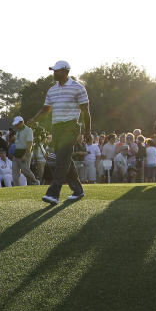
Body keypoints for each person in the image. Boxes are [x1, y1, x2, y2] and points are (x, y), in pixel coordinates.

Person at [26, 61, 90, 204]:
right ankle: (78, 190)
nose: (54, 73)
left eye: (57, 71)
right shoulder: (52, 90)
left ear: (66, 72)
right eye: (54, 71)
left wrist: (87, 131)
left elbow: (86, 111)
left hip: (71, 126)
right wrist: (34, 119)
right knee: (65, 158)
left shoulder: (78, 88)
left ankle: (54, 193)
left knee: (61, 160)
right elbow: (45, 109)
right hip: (57, 128)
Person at [11, 117, 38, 186]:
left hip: (24, 153)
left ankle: (35, 183)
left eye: (17, 124)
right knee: (15, 174)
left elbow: (30, 143)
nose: (16, 125)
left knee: (25, 171)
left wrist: (25, 155)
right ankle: (16, 187)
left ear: (22, 122)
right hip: (17, 153)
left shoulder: (28, 130)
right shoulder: (18, 130)